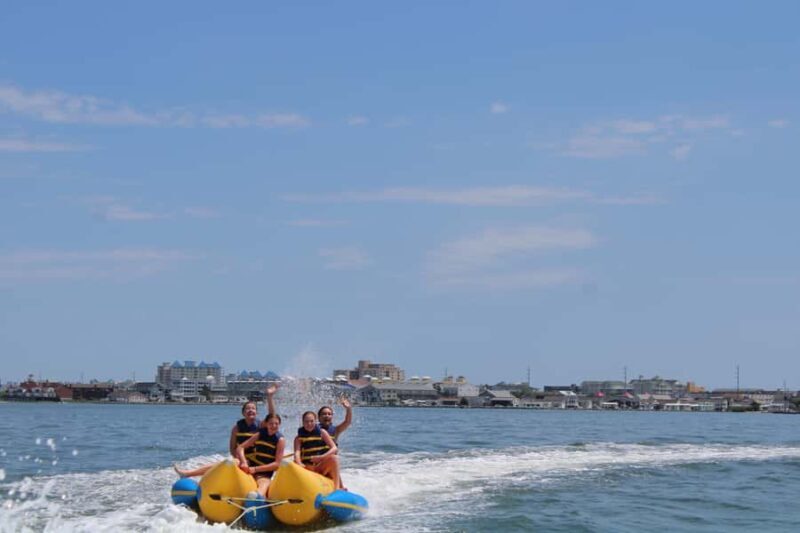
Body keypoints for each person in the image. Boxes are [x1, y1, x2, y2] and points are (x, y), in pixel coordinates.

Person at [173, 385, 278, 477]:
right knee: (221, 464)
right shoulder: (236, 428)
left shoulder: (261, 425)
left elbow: (272, 416)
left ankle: (189, 474)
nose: (250, 410)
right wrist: (240, 460)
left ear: (257, 413)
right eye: (247, 409)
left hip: (256, 460)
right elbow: (233, 448)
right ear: (243, 413)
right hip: (241, 459)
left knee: (227, 463)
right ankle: (188, 474)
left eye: (253, 409)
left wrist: (269, 396)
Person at [236, 413, 285, 496]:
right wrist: (244, 462)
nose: (273, 426)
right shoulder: (259, 434)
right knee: (234, 461)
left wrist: (255, 469)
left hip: (264, 473)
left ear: (279, 424)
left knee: (264, 484)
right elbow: (240, 448)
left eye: (276, 423)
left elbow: (277, 464)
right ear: (266, 424)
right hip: (250, 466)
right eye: (271, 423)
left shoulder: (280, 440)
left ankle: (256, 498)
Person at [294, 411, 341, 489]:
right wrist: (299, 463)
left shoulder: (322, 432)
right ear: (303, 422)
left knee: (334, 458)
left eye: (312, 421)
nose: (309, 424)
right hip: (307, 468)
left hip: (320, 467)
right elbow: (297, 453)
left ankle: (337, 488)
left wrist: (321, 457)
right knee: (294, 462)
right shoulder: (298, 438)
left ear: (316, 421)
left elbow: (334, 448)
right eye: (306, 422)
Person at [317, 396, 352, 488]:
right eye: (324, 414)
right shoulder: (314, 430)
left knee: (334, 460)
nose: (327, 416)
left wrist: (348, 409)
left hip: (330, 465)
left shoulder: (335, 430)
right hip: (318, 464)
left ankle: (340, 488)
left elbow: (347, 422)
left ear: (332, 417)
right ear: (319, 418)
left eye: (329, 414)